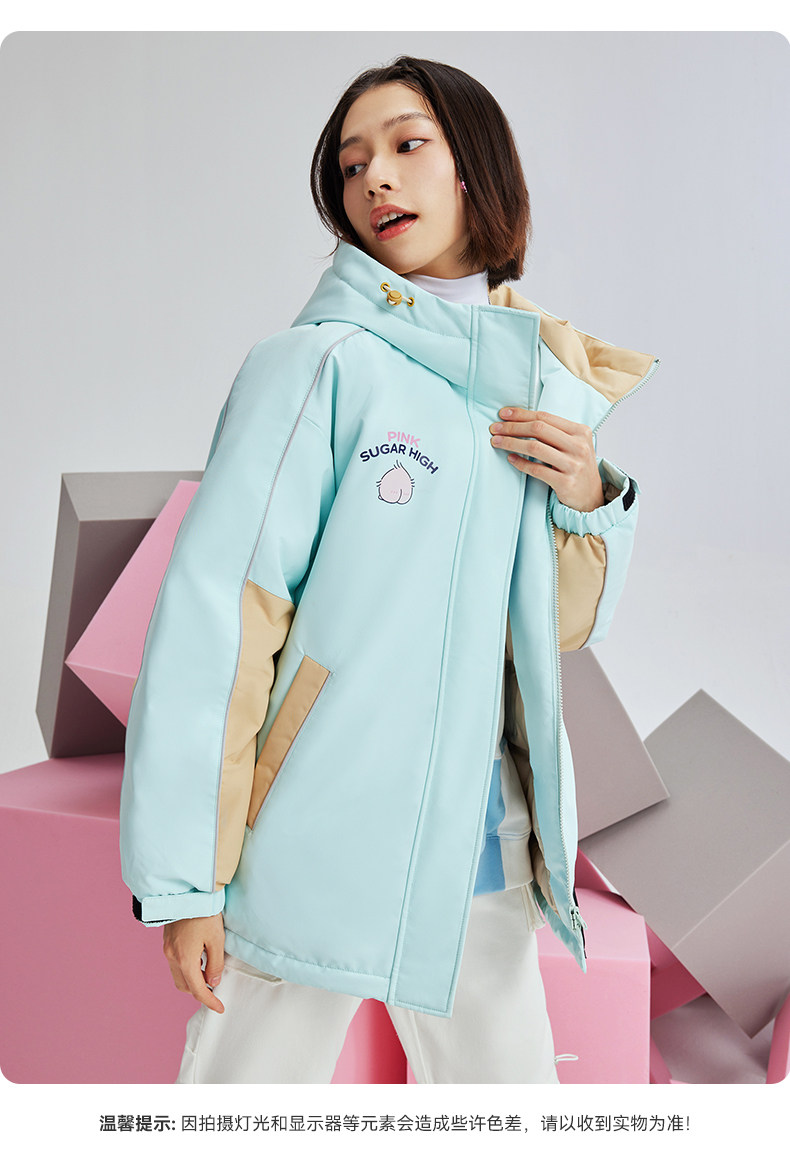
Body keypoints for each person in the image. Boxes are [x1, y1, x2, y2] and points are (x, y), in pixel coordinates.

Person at [119, 55, 658, 1083]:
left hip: (482, 850)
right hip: (311, 841)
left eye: (407, 145)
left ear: (474, 169)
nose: (375, 177)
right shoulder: (318, 366)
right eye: (352, 162)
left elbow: (558, 628)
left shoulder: (528, 384)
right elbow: (220, 621)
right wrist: (186, 881)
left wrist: (590, 498)